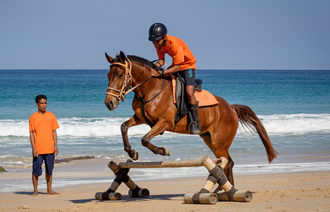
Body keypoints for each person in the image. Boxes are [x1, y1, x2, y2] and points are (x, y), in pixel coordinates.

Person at [148, 23, 201, 134]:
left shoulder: (175, 44)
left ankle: (195, 122)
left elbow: (178, 67)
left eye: (157, 40)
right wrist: (153, 68)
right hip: (176, 65)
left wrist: (161, 72)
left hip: (187, 66)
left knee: (189, 92)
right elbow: (161, 61)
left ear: (164, 37)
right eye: (153, 41)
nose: (155, 43)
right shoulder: (158, 44)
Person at [29, 94, 60, 196]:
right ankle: (35, 190)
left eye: (45, 103)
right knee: (36, 170)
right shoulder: (33, 117)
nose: (44, 105)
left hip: (50, 148)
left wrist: (56, 146)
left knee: (50, 170)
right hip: (38, 149)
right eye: (41, 103)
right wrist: (34, 148)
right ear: (37, 104)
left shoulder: (51, 116)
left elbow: (54, 132)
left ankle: (49, 190)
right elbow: (32, 134)